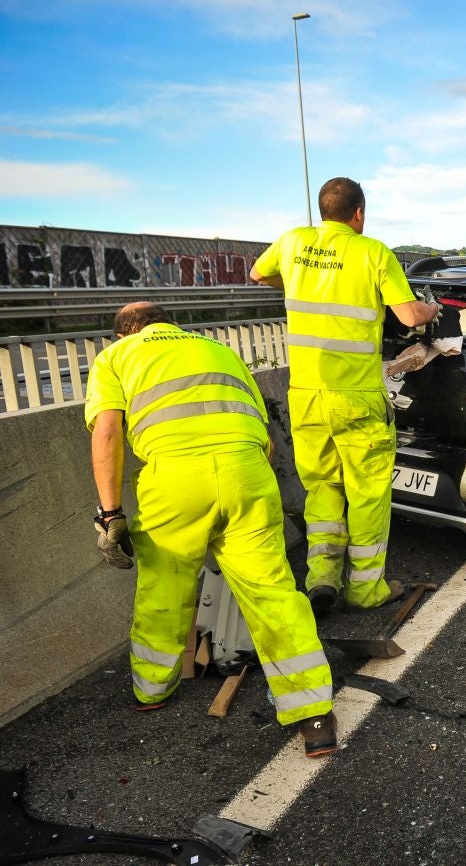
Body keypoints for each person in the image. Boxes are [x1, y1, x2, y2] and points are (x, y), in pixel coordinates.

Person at [86, 303, 338, 756]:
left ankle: (152, 691)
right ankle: (313, 712)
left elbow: (106, 432)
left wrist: (110, 514)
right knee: (273, 591)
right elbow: (264, 432)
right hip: (248, 472)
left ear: (125, 332)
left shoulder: (116, 356)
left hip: (175, 478)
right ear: (170, 326)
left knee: (165, 588)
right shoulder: (217, 349)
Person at [250, 177, 440, 615]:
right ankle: (365, 588)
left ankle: (321, 579)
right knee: (368, 493)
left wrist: (301, 286)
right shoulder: (373, 252)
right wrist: (433, 308)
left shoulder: (292, 242)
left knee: (322, 488)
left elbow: (258, 273)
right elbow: (410, 316)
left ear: (323, 210)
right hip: (356, 397)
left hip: (306, 395)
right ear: (359, 213)